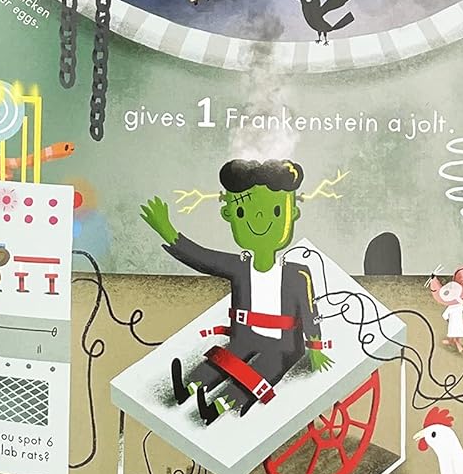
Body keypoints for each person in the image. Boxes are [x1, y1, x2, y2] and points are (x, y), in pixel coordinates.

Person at [141, 158, 332, 424]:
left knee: (260, 370)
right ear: (229, 214)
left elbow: (310, 311)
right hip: (245, 338)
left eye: (276, 211)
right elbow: (202, 257)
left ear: (293, 213)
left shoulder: (297, 274)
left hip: (283, 346)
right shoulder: (239, 266)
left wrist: (315, 347)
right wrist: (169, 232)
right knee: (223, 359)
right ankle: (191, 387)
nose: (259, 220)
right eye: (242, 212)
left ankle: (220, 406)